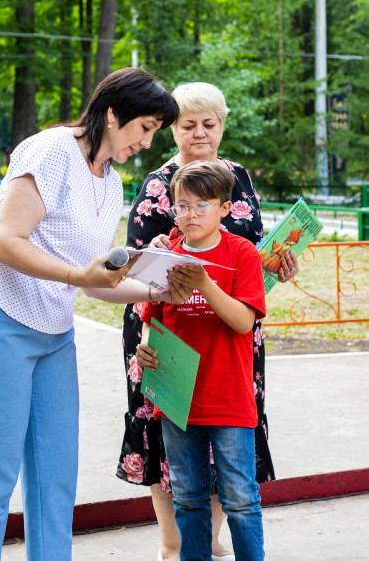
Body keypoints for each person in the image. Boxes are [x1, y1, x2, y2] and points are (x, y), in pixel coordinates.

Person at [0, 67, 190, 561]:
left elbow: (99, 280)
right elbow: (5, 241)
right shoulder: (51, 150)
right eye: (144, 128)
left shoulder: (111, 184)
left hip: (54, 334)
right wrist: (80, 277)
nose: (146, 143)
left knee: (55, 478)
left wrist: (156, 291)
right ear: (114, 113)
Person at [117, 82, 298, 561]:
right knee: (171, 433)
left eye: (208, 124)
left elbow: (248, 253)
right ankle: (173, 542)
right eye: (187, 124)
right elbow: (139, 266)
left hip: (232, 328)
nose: (199, 133)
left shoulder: (237, 177)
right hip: (166, 329)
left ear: (221, 126)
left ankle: (213, 537)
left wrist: (274, 263)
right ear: (172, 129)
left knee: (230, 441)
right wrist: (162, 268)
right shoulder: (159, 186)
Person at [137, 160, 266, 561]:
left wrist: (204, 283)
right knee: (189, 498)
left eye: (201, 206)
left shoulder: (241, 253)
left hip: (228, 397)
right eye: (182, 206)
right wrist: (145, 347)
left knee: (240, 498)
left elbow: (244, 322)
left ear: (225, 208)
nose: (190, 215)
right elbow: (150, 319)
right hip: (177, 400)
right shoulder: (166, 256)